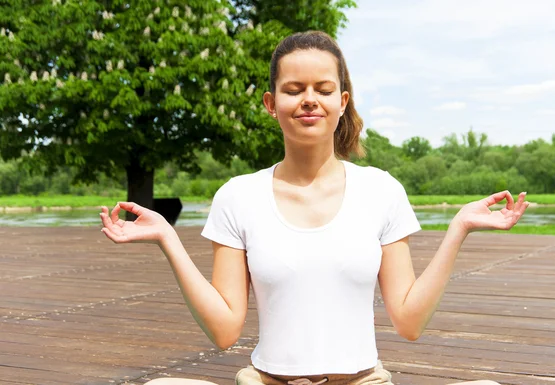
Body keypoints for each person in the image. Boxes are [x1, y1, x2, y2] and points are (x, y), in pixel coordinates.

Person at [100, 31, 529, 385]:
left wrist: (459, 229)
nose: (309, 100)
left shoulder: (381, 190)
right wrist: (168, 239)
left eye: (323, 90)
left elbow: (410, 323)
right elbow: (225, 330)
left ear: (342, 103)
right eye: (293, 90)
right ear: (272, 105)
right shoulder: (237, 195)